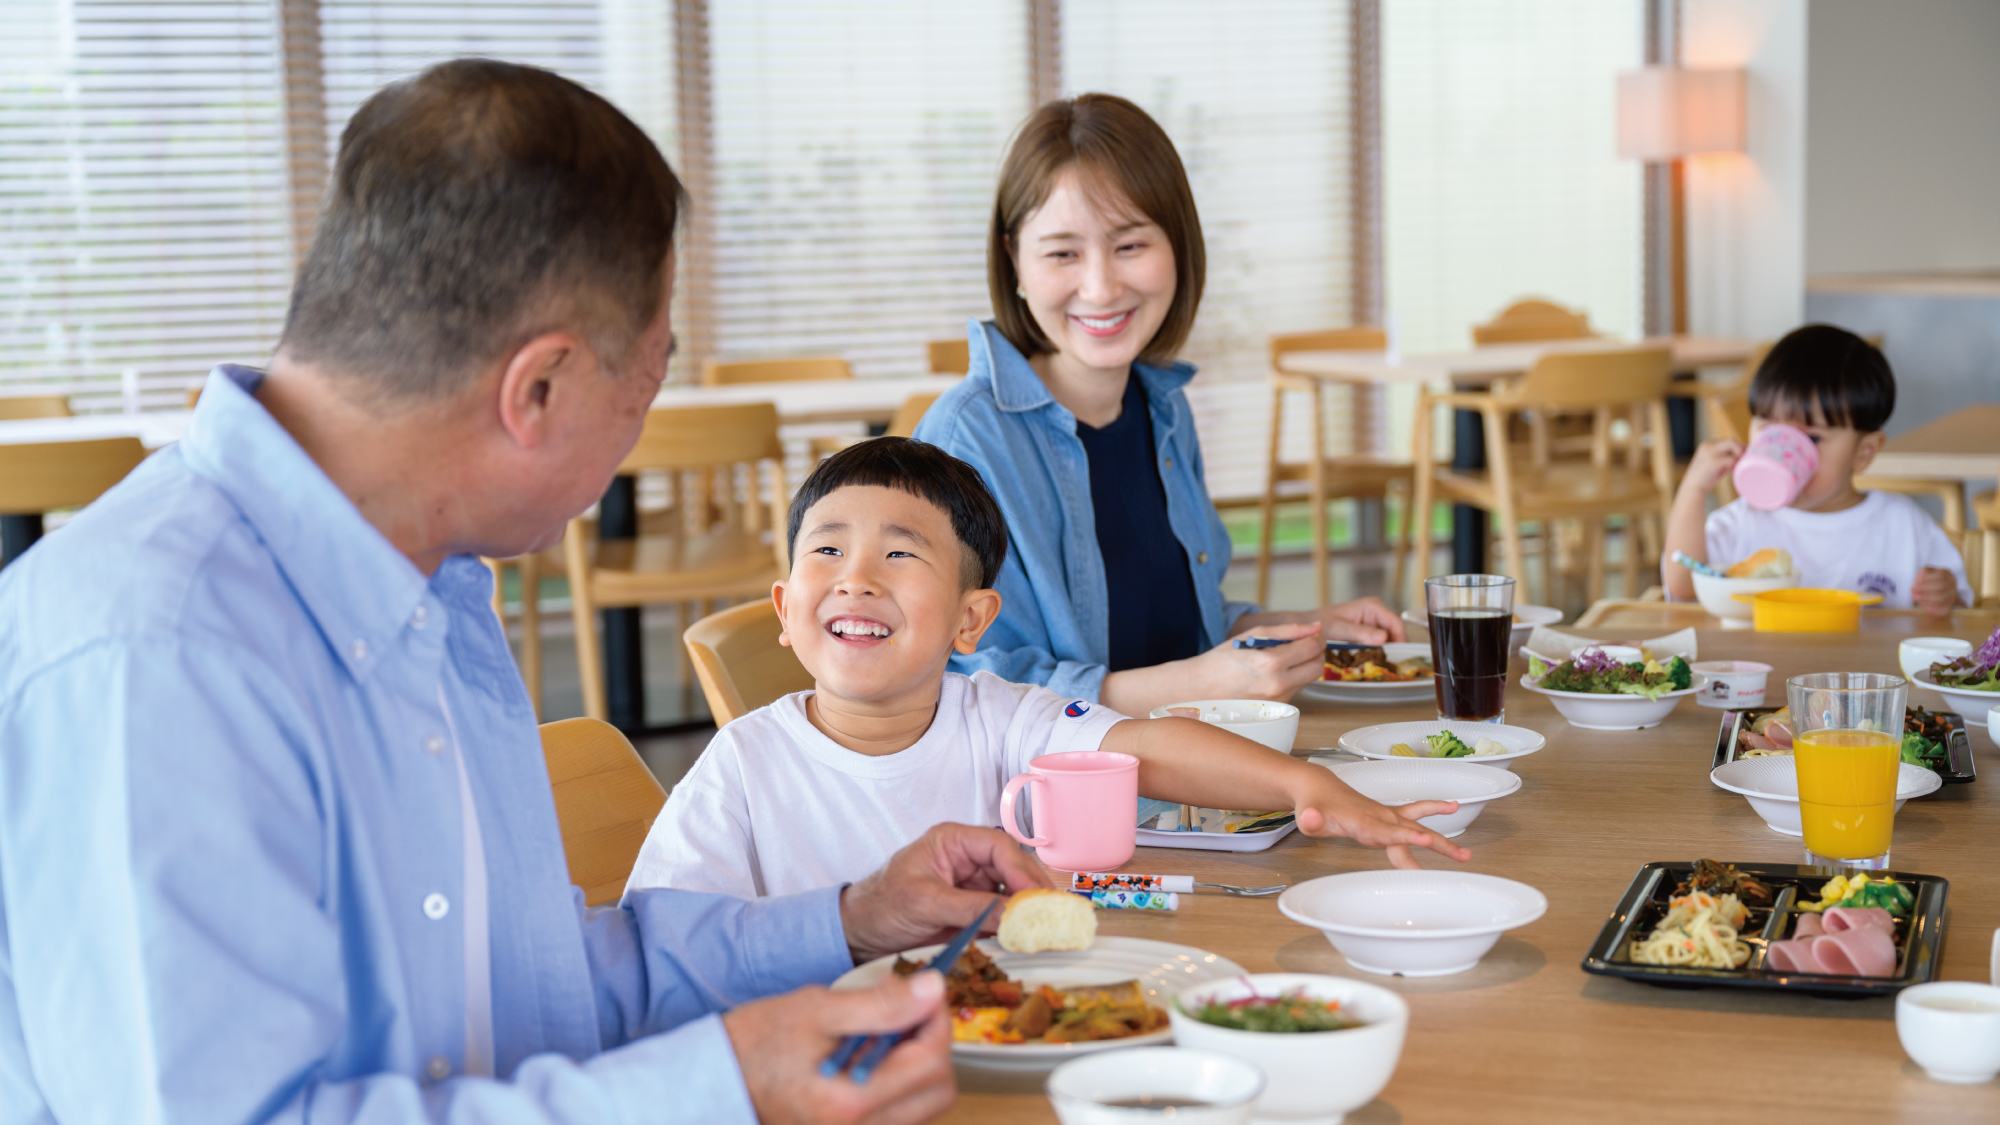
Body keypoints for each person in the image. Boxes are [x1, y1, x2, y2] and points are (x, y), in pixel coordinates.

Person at [0, 60, 1047, 1125]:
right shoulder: (156, 655)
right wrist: (714, 1088)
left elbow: (529, 992)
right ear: (537, 390)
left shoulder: (430, 592)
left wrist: (855, 917)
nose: (634, 440)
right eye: (641, 391)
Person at [623, 438, 1469, 900]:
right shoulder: (742, 763)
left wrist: (1309, 789)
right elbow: (667, 940)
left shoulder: (999, 715)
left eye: (899, 553)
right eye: (830, 550)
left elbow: (1152, 745)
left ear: (970, 620)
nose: (857, 576)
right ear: (784, 608)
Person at [910, 94, 1403, 717]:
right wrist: (1204, 682)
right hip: (1052, 801)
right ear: (1015, 262)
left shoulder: (1162, 407)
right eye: (1063, 253)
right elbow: (974, 691)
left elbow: (1170, 625)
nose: (1101, 287)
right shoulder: (967, 440)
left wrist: (1298, 627)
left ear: (1178, 245)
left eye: (1130, 245)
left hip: (1183, 781)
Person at [1663, 325, 1972, 613]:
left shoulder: (1904, 529)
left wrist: (1946, 597)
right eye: (1770, 429)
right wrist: (1694, 489)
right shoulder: (1741, 523)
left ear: (1863, 452)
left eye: (1811, 438)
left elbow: (1961, 616)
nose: (1784, 453)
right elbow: (1683, 587)